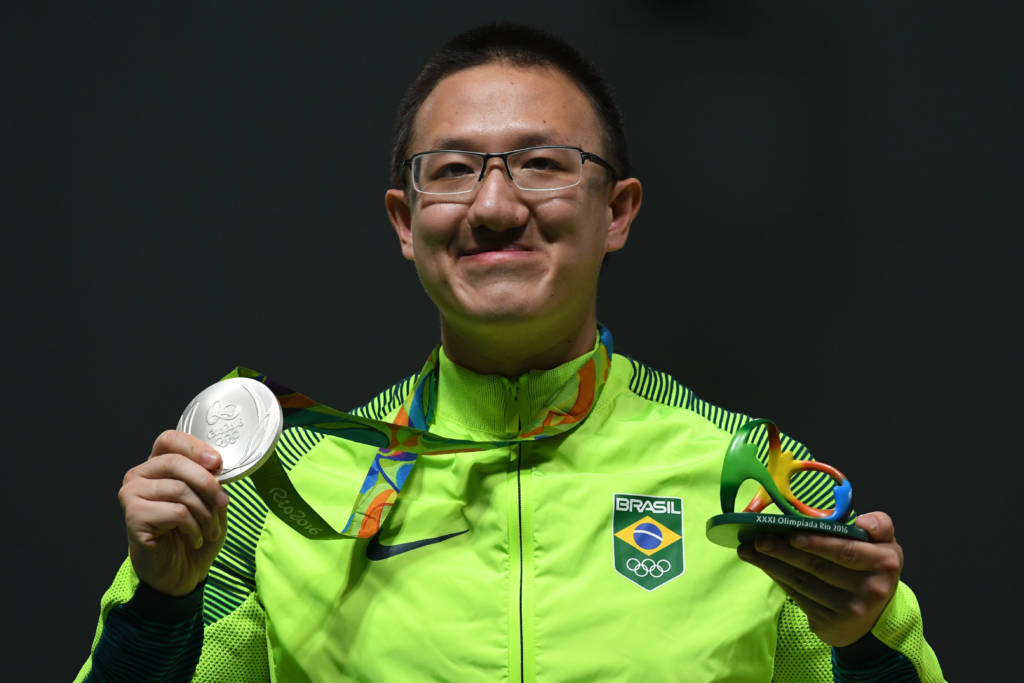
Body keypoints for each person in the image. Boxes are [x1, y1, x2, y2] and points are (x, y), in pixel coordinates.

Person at [76, 23, 945, 682]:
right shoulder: (278, 492)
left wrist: (866, 643)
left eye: (541, 163)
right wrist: (159, 607)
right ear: (405, 224)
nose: (494, 205)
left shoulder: (750, 479)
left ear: (618, 210)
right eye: (451, 171)